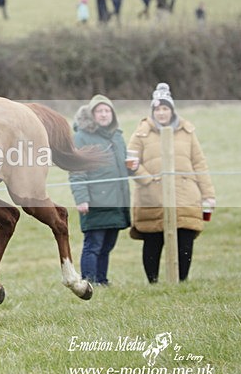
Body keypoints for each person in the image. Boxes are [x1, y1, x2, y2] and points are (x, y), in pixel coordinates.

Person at [127, 83, 216, 283]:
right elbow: (130, 163)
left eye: (165, 108)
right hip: (152, 197)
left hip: (185, 195)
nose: (161, 113)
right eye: (157, 109)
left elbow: (199, 163)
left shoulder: (187, 132)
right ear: (152, 111)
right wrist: (149, 181)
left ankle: (182, 281)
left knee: (185, 239)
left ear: (172, 110)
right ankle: (153, 282)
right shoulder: (141, 133)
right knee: (153, 240)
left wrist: (208, 194)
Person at [69, 95, 131, 286]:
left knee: (107, 245)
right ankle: (89, 282)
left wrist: (133, 167)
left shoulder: (117, 136)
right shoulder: (81, 137)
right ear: (92, 115)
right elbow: (77, 170)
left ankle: (102, 281)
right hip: (95, 200)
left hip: (117, 200)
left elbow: (123, 165)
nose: (104, 115)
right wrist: (81, 198)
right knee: (94, 245)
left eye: (107, 111)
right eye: (99, 111)